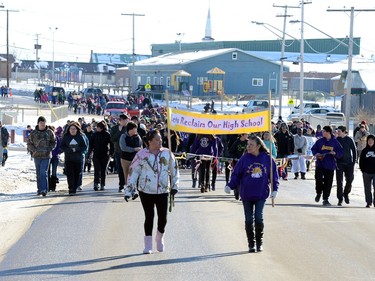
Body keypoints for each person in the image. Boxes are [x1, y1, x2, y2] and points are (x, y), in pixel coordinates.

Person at [124, 129, 179, 254]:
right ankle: (147, 245)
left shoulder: (167, 153)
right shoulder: (141, 155)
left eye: (161, 139)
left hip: (163, 190)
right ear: (149, 141)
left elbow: (174, 170)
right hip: (146, 191)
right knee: (149, 217)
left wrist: (175, 186)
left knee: (163, 218)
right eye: (157, 140)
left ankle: (159, 238)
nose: (160, 142)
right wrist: (129, 190)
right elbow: (133, 172)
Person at [225, 135, 279, 253]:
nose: (248, 147)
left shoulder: (267, 159)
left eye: (251, 145)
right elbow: (236, 174)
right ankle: (251, 243)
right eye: (247, 144)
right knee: (249, 220)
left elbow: (274, 175)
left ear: (258, 146)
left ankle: (259, 242)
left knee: (258, 218)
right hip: (246, 194)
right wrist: (230, 185)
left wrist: (275, 189)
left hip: (261, 193)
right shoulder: (244, 159)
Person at [311, 125, 343, 206]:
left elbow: (340, 152)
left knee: (328, 183)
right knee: (318, 179)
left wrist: (335, 153)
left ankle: (325, 199)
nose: (322, 132)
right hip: (320, 164)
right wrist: (316, 153)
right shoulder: (320, 141)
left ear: (328, 132)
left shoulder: (335, 142)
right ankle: (318, 193)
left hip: (330, 165)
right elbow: (313, 149)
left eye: (324, 131)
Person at [27, 116, 56, 196]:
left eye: (44, 123)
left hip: (46, 156)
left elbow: (54, 142)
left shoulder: (49, 132)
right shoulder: (33, 133)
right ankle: (39, 189)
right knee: (38, 173)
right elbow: (29, 143)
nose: (42, 124)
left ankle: (44, 189)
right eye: (41, 123)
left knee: (44, 172)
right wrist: (34, 150)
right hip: (37, 156)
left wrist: (49, 149)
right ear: (38, 123)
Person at [60, 122, 88, 195]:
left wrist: (77, 149)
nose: (72, 130)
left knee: (77, 174)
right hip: (69, 159)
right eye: (71, 129)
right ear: (68, 130)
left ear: (77, 130)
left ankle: (75, 187)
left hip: (78, 159)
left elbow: (84, 147)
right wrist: (69, 150)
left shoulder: (80, 136)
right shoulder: (66, 136)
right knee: (70, 174)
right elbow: (62, 146)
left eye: (74, 129)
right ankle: (71, 188)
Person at [335, 126, 357, 206]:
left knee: (350, 179)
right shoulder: (337, 140)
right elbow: (333, 150)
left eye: (339, 131)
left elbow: (354, 151)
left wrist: (354, 161)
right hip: (339, 163)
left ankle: (346, 193)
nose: (338, 133)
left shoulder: (349, 139)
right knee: (339, 181)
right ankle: (340, 199)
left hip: (349, 163)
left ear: (344, 132)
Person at [90, 121, 114, 191]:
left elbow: (111, 144)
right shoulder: (94, 135)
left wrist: (111, 153)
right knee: (96, 170)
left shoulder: (107, 134)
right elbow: (91, 144)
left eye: (98, 127)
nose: (96, 128)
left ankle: (102, 184)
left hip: (105, 155)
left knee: (103, 170)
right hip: (96, 154)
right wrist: (90, 152)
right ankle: (96, 183)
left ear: (101, 128)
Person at [119, 121, 143, 185]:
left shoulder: (138, 137)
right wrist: (134, 149)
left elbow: (141, 146)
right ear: (130, 129)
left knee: (135, 174)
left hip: (135, 158)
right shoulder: (123, 136)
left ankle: (134, 188)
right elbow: (123, 148)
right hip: (125, 159)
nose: (135, 131)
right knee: (126, 174)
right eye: (134, 129)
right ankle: (128, 188)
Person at [110, 114, 129, 192]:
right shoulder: (114, 128)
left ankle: (128, 185)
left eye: (126, 120)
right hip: (118, 152)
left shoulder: (129, 128)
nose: (125, 122)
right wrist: (119, 131)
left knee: (129, 169)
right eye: (123, 120)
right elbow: (112, 139)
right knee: (120, 169)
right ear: (120, 121)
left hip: (128, 152)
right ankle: (121, 185)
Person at [228, 133, 249, 199]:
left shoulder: (248, 143)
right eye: (246, 134)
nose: (247, 136)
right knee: (237, 176)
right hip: (237, 162)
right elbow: (231, 152)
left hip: (246, 163)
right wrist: (233, 157)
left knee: (245, 178)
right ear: (242, 135)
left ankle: (242, 193)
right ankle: (236, 191)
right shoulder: (236, 142)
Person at [359, 135, 375, 208]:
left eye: (372, 140)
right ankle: (368, 202)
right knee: (367, 188)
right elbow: (361, 161)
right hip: (366, 173)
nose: (370, 142)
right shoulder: (364, 151)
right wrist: (363, 170)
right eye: (369, 140)